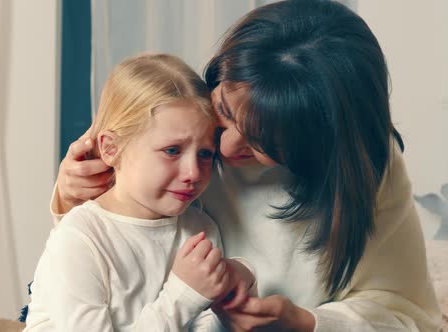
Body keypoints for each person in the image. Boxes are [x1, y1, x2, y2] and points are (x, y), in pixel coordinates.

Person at [50, 0, 442, 331]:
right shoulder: (180, 119)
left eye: (263, 143)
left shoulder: (366, 164)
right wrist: (72, 196)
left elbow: (407, 312)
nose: (223, 145)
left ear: (320, 147)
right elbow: (104, 252)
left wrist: (305, 322)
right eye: (223, 109)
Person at [24, 53, 255, 332]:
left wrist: (237, 281)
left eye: (205, 153)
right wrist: (183, 296)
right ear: (110, 148)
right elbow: (185, 303)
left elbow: (206, 323)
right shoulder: (80, 238)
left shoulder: (200, 228)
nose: (193, 172)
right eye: (172, 150)